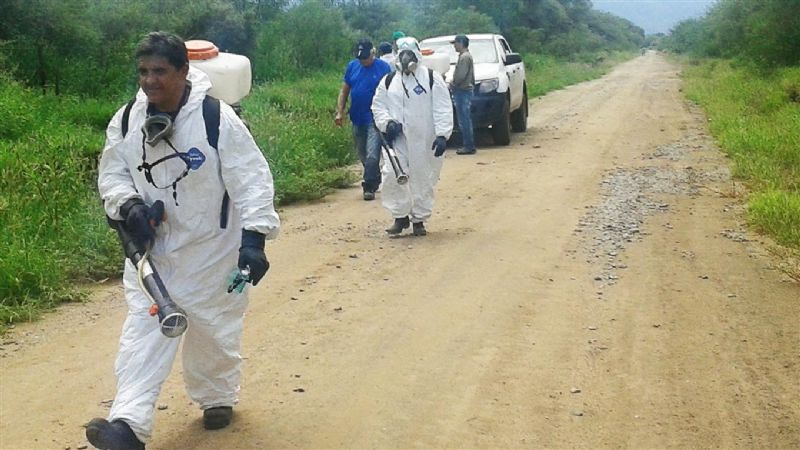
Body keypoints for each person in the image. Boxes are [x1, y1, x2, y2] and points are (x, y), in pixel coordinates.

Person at [88, 31, 280, 450]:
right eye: (143, 71)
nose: (149, 80)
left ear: (183, 71)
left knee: (212, 331)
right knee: (144, 333)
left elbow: (252, 180)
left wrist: (254, 240)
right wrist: (130, 205)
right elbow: (113, 173)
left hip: (212, 252)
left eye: (159, 71)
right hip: (152, 256)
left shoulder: (215, 118)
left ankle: (216, 396)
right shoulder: (126, 120)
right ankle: (129, 426)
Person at [372, 36, 453, 237]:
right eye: (403, 54)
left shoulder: (432, 79)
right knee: (392, 174)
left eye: (410, 53)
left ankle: (419, 220)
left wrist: (442, 134)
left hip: (424, 140)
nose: (407, 58)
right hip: (397, 140)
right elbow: (378, 106)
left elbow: (443, 108)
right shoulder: (389, 81)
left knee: (421, 179)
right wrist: (387, 123)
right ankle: (400, 217)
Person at [335, 39, 392, 201]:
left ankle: (369, 186)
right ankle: (374, 175)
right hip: (357, 117)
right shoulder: (352, 66)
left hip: (375, 118)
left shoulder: (383, 68)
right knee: (362, 153)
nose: (363, 61)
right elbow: (344, 91)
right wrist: (340, 112)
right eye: (360, 58)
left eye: (366, 57)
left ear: (373, 53)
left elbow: (391, 93)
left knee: (373, 153)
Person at [451, 34, 476, 155]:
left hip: (463, 91)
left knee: (464, 120)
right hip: (464, 90)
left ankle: (468, 145)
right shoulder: (465, 56)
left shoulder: (464, 57)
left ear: (461, 43)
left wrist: (452, 84)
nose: (454, 46)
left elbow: (460, 76)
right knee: (464, 119)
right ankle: (468, 144)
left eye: (455, 43)